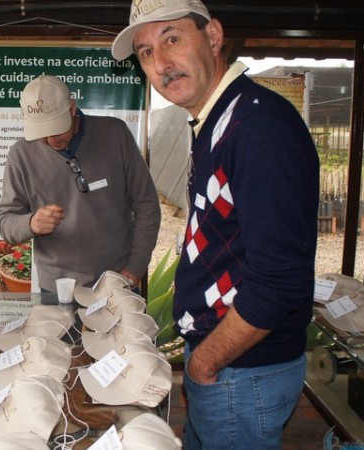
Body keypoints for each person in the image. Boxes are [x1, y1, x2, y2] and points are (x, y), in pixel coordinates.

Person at [112, 0, 320, 448]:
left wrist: (204, 363)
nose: (161, 64)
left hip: (242, 369)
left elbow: (279, 281)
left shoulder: (258, 126)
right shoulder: (217, 120)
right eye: (146, 52)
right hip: (230, 365)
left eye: (172, 38)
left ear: (213, 36)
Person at [0, 75, 161, 292]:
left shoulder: (115, 134)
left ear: (72, 108)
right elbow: (5, 222)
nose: (52, 140)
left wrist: (135, 268)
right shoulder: (21, 155)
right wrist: (31, 223)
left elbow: (147, 204)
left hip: (117, 283)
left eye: (57, 129)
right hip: (57, 291)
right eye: (43, 134)